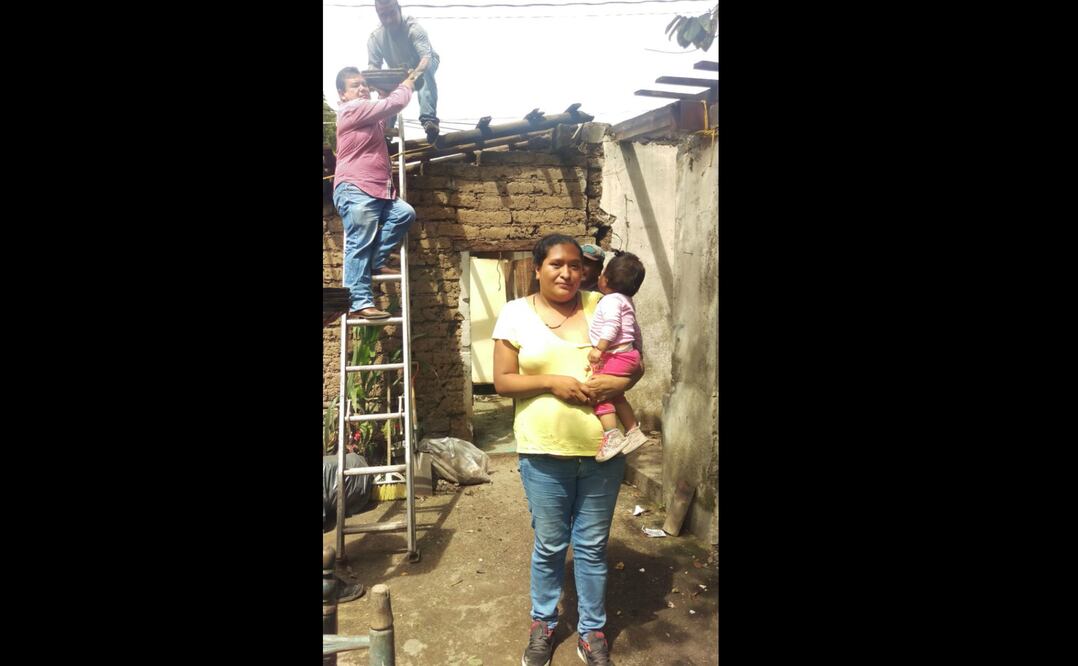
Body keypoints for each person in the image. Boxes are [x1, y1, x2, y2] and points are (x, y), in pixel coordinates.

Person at [491, 234, 644, 666]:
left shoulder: (605, 304)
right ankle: (544, 622)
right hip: (544, 453)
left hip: (602, 452)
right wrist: (552, 382)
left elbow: (635, 361)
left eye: (575, 265)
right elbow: (502, 380)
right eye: (557, 264)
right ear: (537, 268)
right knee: (551, 544)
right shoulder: (515, 314)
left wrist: (619, 384)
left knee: (593, 547)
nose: (567, 273)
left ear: (587, 271)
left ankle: (592, 629)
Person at [333, 66, 418, 320]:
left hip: (380, 190)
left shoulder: (368, 116)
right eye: (354, 86)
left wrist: (383, 92)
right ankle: (359, 301)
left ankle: (376, 260)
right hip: (356, 187)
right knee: (359, 243)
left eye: (364, 85)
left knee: (404, 214)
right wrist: (408, 82)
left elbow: (385, 115)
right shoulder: (351, 110)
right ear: (342, 94)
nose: (362, 89)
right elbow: (395, 103)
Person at [588, 251, 653, 462]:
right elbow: (636, 330)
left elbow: (612, 325)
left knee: (598, 392)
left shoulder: (609, 301)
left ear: (605, 279)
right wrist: (639, 353)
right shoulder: (626, 301)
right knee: (617, 395)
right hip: (629, 354)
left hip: (616, 355)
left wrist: (599, 348)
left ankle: (612, 435)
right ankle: (633, 431)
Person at [367, 0, 441, 143]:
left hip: (422, 63)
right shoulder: (375, 38)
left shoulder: (414, 28)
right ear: (378, 15)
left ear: (399, 9)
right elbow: (373, 67)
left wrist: (412, 77)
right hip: (398, 70)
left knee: (425, 73)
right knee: (388, 92)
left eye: (392, 13)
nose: (388, 19)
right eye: (383, 15)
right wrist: (379, 86)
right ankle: (385, 130)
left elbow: (425, 58)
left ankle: (429, 120)